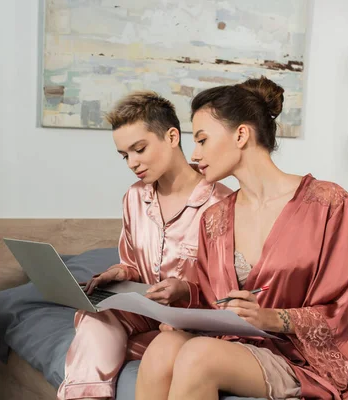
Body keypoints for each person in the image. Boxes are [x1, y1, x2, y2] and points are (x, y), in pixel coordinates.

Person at [135, 77, 348, 400]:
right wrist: (183, 296)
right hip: (234, 343)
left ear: (241, 134)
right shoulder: (215, 217)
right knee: (163, 346)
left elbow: (339, 309)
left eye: (201, 140)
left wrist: (269, 317)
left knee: (199, 356)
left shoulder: (327, 202)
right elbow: (216, 300)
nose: (194, 154)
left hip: (296, 356)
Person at [56, 91, 232, 400]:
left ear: (172, 136)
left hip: (193, 318)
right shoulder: (135, 197)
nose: (132, 163)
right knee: (96, 314)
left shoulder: (221, 203)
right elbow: (134, 263)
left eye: (139, 149)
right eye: (125, 155)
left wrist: (184, 290)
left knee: (169, 343)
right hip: (145, 310)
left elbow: (229, 288)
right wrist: (119, 272)